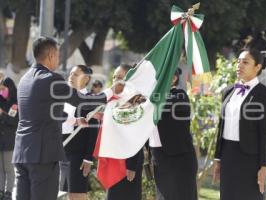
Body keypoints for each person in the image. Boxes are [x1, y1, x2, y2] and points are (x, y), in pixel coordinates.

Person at [12, 37, 124, 200]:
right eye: (57, 56)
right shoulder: (51, 79)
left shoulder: (24, 80)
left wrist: (75, 121)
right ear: (50, 55)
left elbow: (46, 113)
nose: (58, 60)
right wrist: (111, 91)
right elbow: (82, 100)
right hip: (43, 155)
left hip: (22, 153)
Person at [212, 49, 266, 200]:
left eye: (245, 62)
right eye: (238, 61)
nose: (239, 65)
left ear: (257, 67)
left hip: (249, 159)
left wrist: (264, 165)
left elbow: (265, 132)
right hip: (227, 154)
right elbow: (221, 126)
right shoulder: (228, 91)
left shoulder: (264, 94)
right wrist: (218, 158)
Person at [150, 68, 198, 200]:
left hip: (179, 159)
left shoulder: (179, 95)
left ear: (174, 78)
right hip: (159, 156)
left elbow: (165, 106)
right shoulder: (152, 97)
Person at [59, 65, 99, 200]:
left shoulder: (90, 99)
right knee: (65, 193)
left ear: (86, 79)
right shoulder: (61, 97)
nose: (71, 77)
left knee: (77, 194)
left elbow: (93, 131)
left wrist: (88, 157)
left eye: (75, 75)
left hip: (78, 155)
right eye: (70, 73)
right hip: (60, 151)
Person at [105, 64, 144, 200]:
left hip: (128, 162)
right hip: (114, 158)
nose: (115, 80)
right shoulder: (113, 100)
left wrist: (131, 165)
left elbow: (137, 135)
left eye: (120, 77)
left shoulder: (136, 102)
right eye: (114, 76)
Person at [0, 77, 18, 200]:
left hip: (9, 140)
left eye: (4, 88)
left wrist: (2, 114)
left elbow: (13, 121)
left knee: (8, 168)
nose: (2, 91)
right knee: (0, 169)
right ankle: (1, 190)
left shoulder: (14, 104)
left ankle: (8, 192)